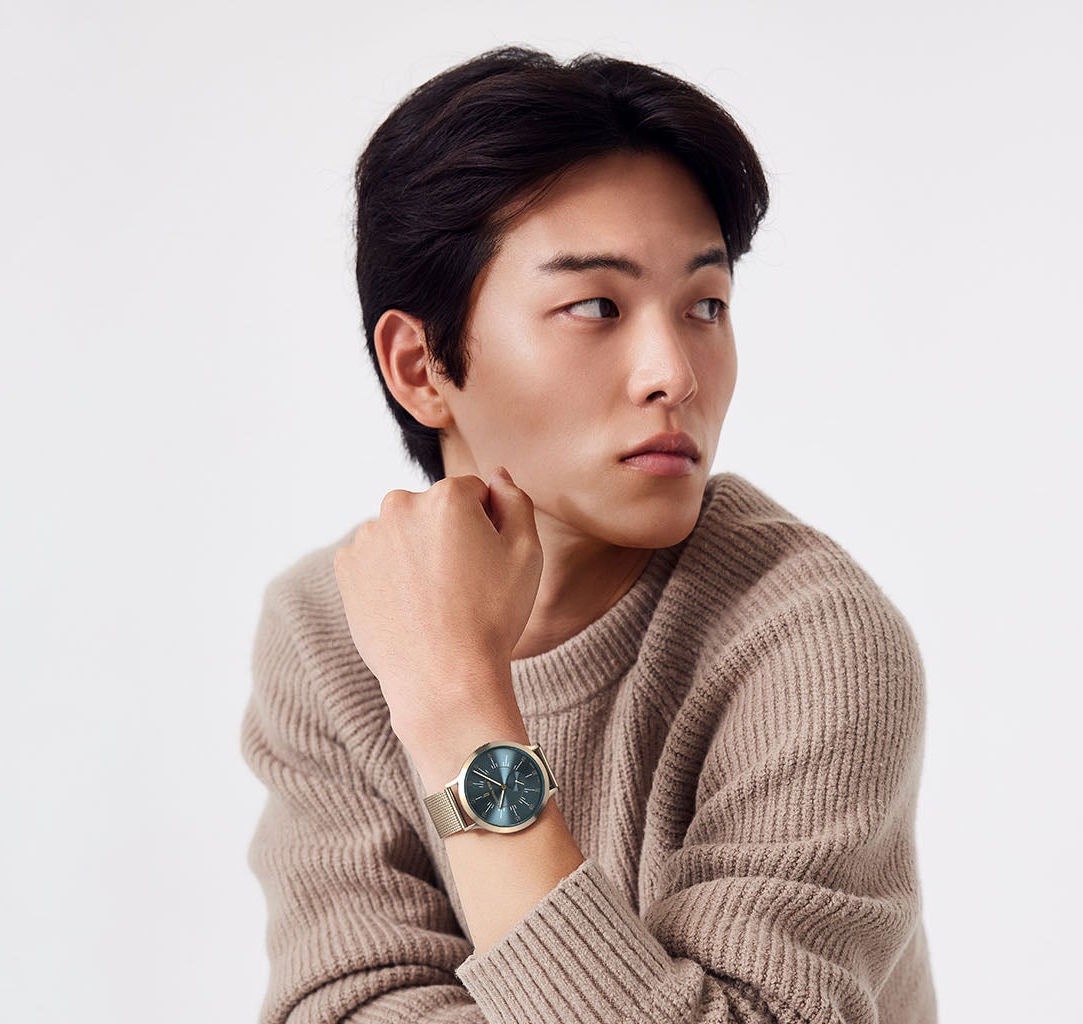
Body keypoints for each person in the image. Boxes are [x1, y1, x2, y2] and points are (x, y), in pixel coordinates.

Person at [240, 46, 937, 1024]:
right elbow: (342, 1005)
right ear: (420, 365)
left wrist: (458, 707)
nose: (673, 373)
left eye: (705, 305)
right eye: (595, 307)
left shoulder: (812, 640)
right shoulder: (327, 633)